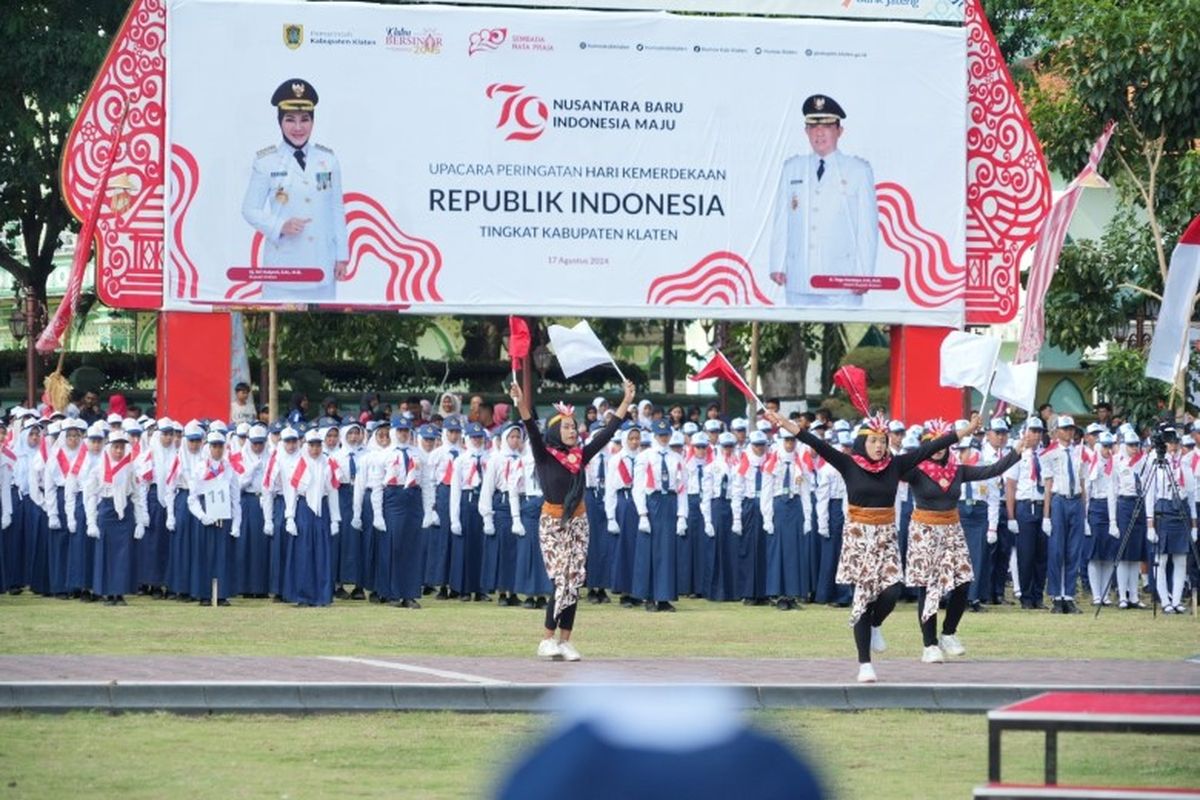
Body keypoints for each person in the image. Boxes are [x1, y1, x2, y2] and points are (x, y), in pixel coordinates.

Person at [767, 409, 976, 683]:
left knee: (892, 592)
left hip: (886, 536)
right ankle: (864, 663)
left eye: (883, 441)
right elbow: (814, 442)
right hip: (858, 538)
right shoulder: (848, 463)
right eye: (873, 441)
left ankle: (877, 624)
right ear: (862, 443)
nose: (879, 446)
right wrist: (786, 424)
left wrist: (966, 430)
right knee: (863, 600)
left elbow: (933, 446)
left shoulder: (896, 465)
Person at [510, 377, 634, 661]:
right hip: (553, 524)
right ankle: (546, 639)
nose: (572, 430)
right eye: (565, 427)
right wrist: (519, 400)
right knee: (561, 580)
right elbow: (529, 425)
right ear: (555, 430)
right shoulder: (544, 455)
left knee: (575, 580)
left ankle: (565, 641)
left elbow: (607, 432)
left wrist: (626, 400)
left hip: (579, 522)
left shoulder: (580, 456)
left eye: (573, 426)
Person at [901, 423, 1022, 663]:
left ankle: (948, 633)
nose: (938, 449)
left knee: (963, 582)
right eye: (933, 443)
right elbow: (891, 468)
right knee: (929, 588)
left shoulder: (957, 470)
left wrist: (1017, 451)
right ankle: (929, 644)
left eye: (943, 443)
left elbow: (991, 470)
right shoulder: (915, 470)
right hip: (925, 531)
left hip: (952, 529)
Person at [241, 78, 348, 303]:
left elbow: (336, 209)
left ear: (312, 122)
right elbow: (249, 209)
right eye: (290, 120)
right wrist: (280, 225)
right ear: (280, 121)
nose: (298, 128)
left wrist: (341, 257)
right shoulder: (267, 162)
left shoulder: (328, 160)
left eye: (304, 120)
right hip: (284, 271)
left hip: (322, 266)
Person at [768, 94, 877, 307]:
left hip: (842, 279)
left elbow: (868, 227)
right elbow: (781, 219)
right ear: (806, 131)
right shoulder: (793, 168)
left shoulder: (858, 171)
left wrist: (864, 273)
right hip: (799, 276)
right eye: (813, 126)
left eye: (826, 126)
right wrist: (777, 263)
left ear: (839, 131)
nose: (819, 133)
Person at [85, 430, 149, 606]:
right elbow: (91, 495)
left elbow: (137, 496)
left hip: (125, 513)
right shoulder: (98, 468)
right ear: (109, 448)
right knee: (106, 553)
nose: (119, 451)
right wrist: (91, 522)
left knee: (123, 555)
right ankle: (107, 592)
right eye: (116, 447)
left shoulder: (130, 468)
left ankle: (119, 593)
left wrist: (140, 521)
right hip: (106, 510)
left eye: (121, 447)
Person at [632, 419, 686, 613]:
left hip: (669, 502)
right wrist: (642, 513)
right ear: (654, 435)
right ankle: (648, 596)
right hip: (652, 501)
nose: (664, 438)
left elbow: (682, 488)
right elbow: (637, 487)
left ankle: (664, 596)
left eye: (666, 435)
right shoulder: (645, 456)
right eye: (660, 435)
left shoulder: (676, 458)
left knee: (667, 552)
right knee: (649, 551)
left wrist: (682, 515)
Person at [282, 429, 340, 607]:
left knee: (322, 553)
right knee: (303, 553)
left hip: (322, 510)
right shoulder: (299, 464)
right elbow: (291, 491)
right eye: (312, 445)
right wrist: (290, 517)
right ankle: (303, 595)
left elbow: (332, 491)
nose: (315, 449)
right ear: (306, 446)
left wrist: (335, 519)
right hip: (304, 510)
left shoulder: (328, 464)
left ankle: (321, 595)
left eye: (318, 445)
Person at [1145, 424, 1196, 614]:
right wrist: (1150, 523)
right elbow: (1150, 493)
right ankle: (1164, 599)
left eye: (1175, 443)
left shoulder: (1183, 463)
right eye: (1169, 443)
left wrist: (1194, 524)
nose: (1173, 447)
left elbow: (1190, 494)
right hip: (1163, 508)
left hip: (1180, 508)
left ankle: (1176, 600)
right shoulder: (1156, 461)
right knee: (1162, 558)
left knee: (1181, 558)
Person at [187, 431, 242, 605]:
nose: (217, 450)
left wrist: (236, 523)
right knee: (204, 556)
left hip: (223, 517)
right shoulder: (200, 467)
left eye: (220, 446)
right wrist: (201, 516)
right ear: (208, 447)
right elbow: (192, 498)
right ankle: (204, 594)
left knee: (223, 556)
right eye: (214, 446)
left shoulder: (229, 469)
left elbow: (235, 498)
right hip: (206, 517)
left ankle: (222, 594)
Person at [1040, 415, 1087, 614]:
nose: (1069, 432)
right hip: (1059, 500)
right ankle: (1056, 596)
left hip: (1075, 500)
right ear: (1057, 431)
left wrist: (1085, 514)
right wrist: (1046, 515)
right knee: (1057, 550)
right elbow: (1048, 485)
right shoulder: (1048, 453)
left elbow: (1083, 483)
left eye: (1071, 429)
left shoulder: (1080, 452)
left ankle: (1068, 595)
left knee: (1074, 550)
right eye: (1065, 429)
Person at [1004, 419, 1048, 610]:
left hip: (1041, 506)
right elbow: (1010, 486)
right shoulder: (1018, 454)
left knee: (1041, 555)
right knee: (1026, 554)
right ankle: (1026, 596)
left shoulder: (1045, 454)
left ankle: (1038, 595)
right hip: (1025, 505)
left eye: (1039, 431)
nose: (1037, 435)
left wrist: (1048, 514)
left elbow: (1048, 484)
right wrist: (1011, 515)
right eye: (1033, 431)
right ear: (1025, 433)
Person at [1112, 430, 1149, 608]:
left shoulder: (1144, 460)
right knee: (1123, 551)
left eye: (1136, 445)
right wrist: (1112, 520)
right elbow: (1113, 491)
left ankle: (1134, 595)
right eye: (1131, 445)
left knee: (1136, 553)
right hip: (1125, 504)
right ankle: (1122, 595)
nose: (1134, 448)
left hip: (1140, 503)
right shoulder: (1116, 461)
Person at [1083, 431, 1120, 607]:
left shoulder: (1115, 463)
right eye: (1105, 446)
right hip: (1097, 507)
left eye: (1110, 445)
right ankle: (1096, 594)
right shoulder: (1093, 462)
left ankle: (1105, 593)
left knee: (1108, 555)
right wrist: (1085, 517)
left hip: (1111, 508)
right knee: (1095, 554)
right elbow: (1088, 491)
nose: (1108, 449)